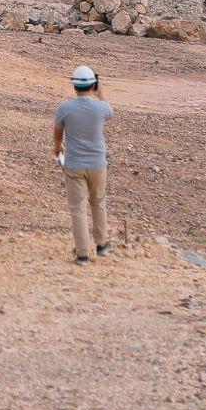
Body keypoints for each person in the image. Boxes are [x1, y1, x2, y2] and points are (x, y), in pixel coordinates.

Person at [53, 64, 114, 265]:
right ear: (93, 84)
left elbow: (58, 132)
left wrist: (57, 146)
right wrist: (101, 93)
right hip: (98, 164)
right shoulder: (101, 107)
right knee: (98, 202)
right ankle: (102, 244)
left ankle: (82, 254)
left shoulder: (65, 108)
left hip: (74, 165)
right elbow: (109, 110)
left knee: (78, 209)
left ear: (74, 86)